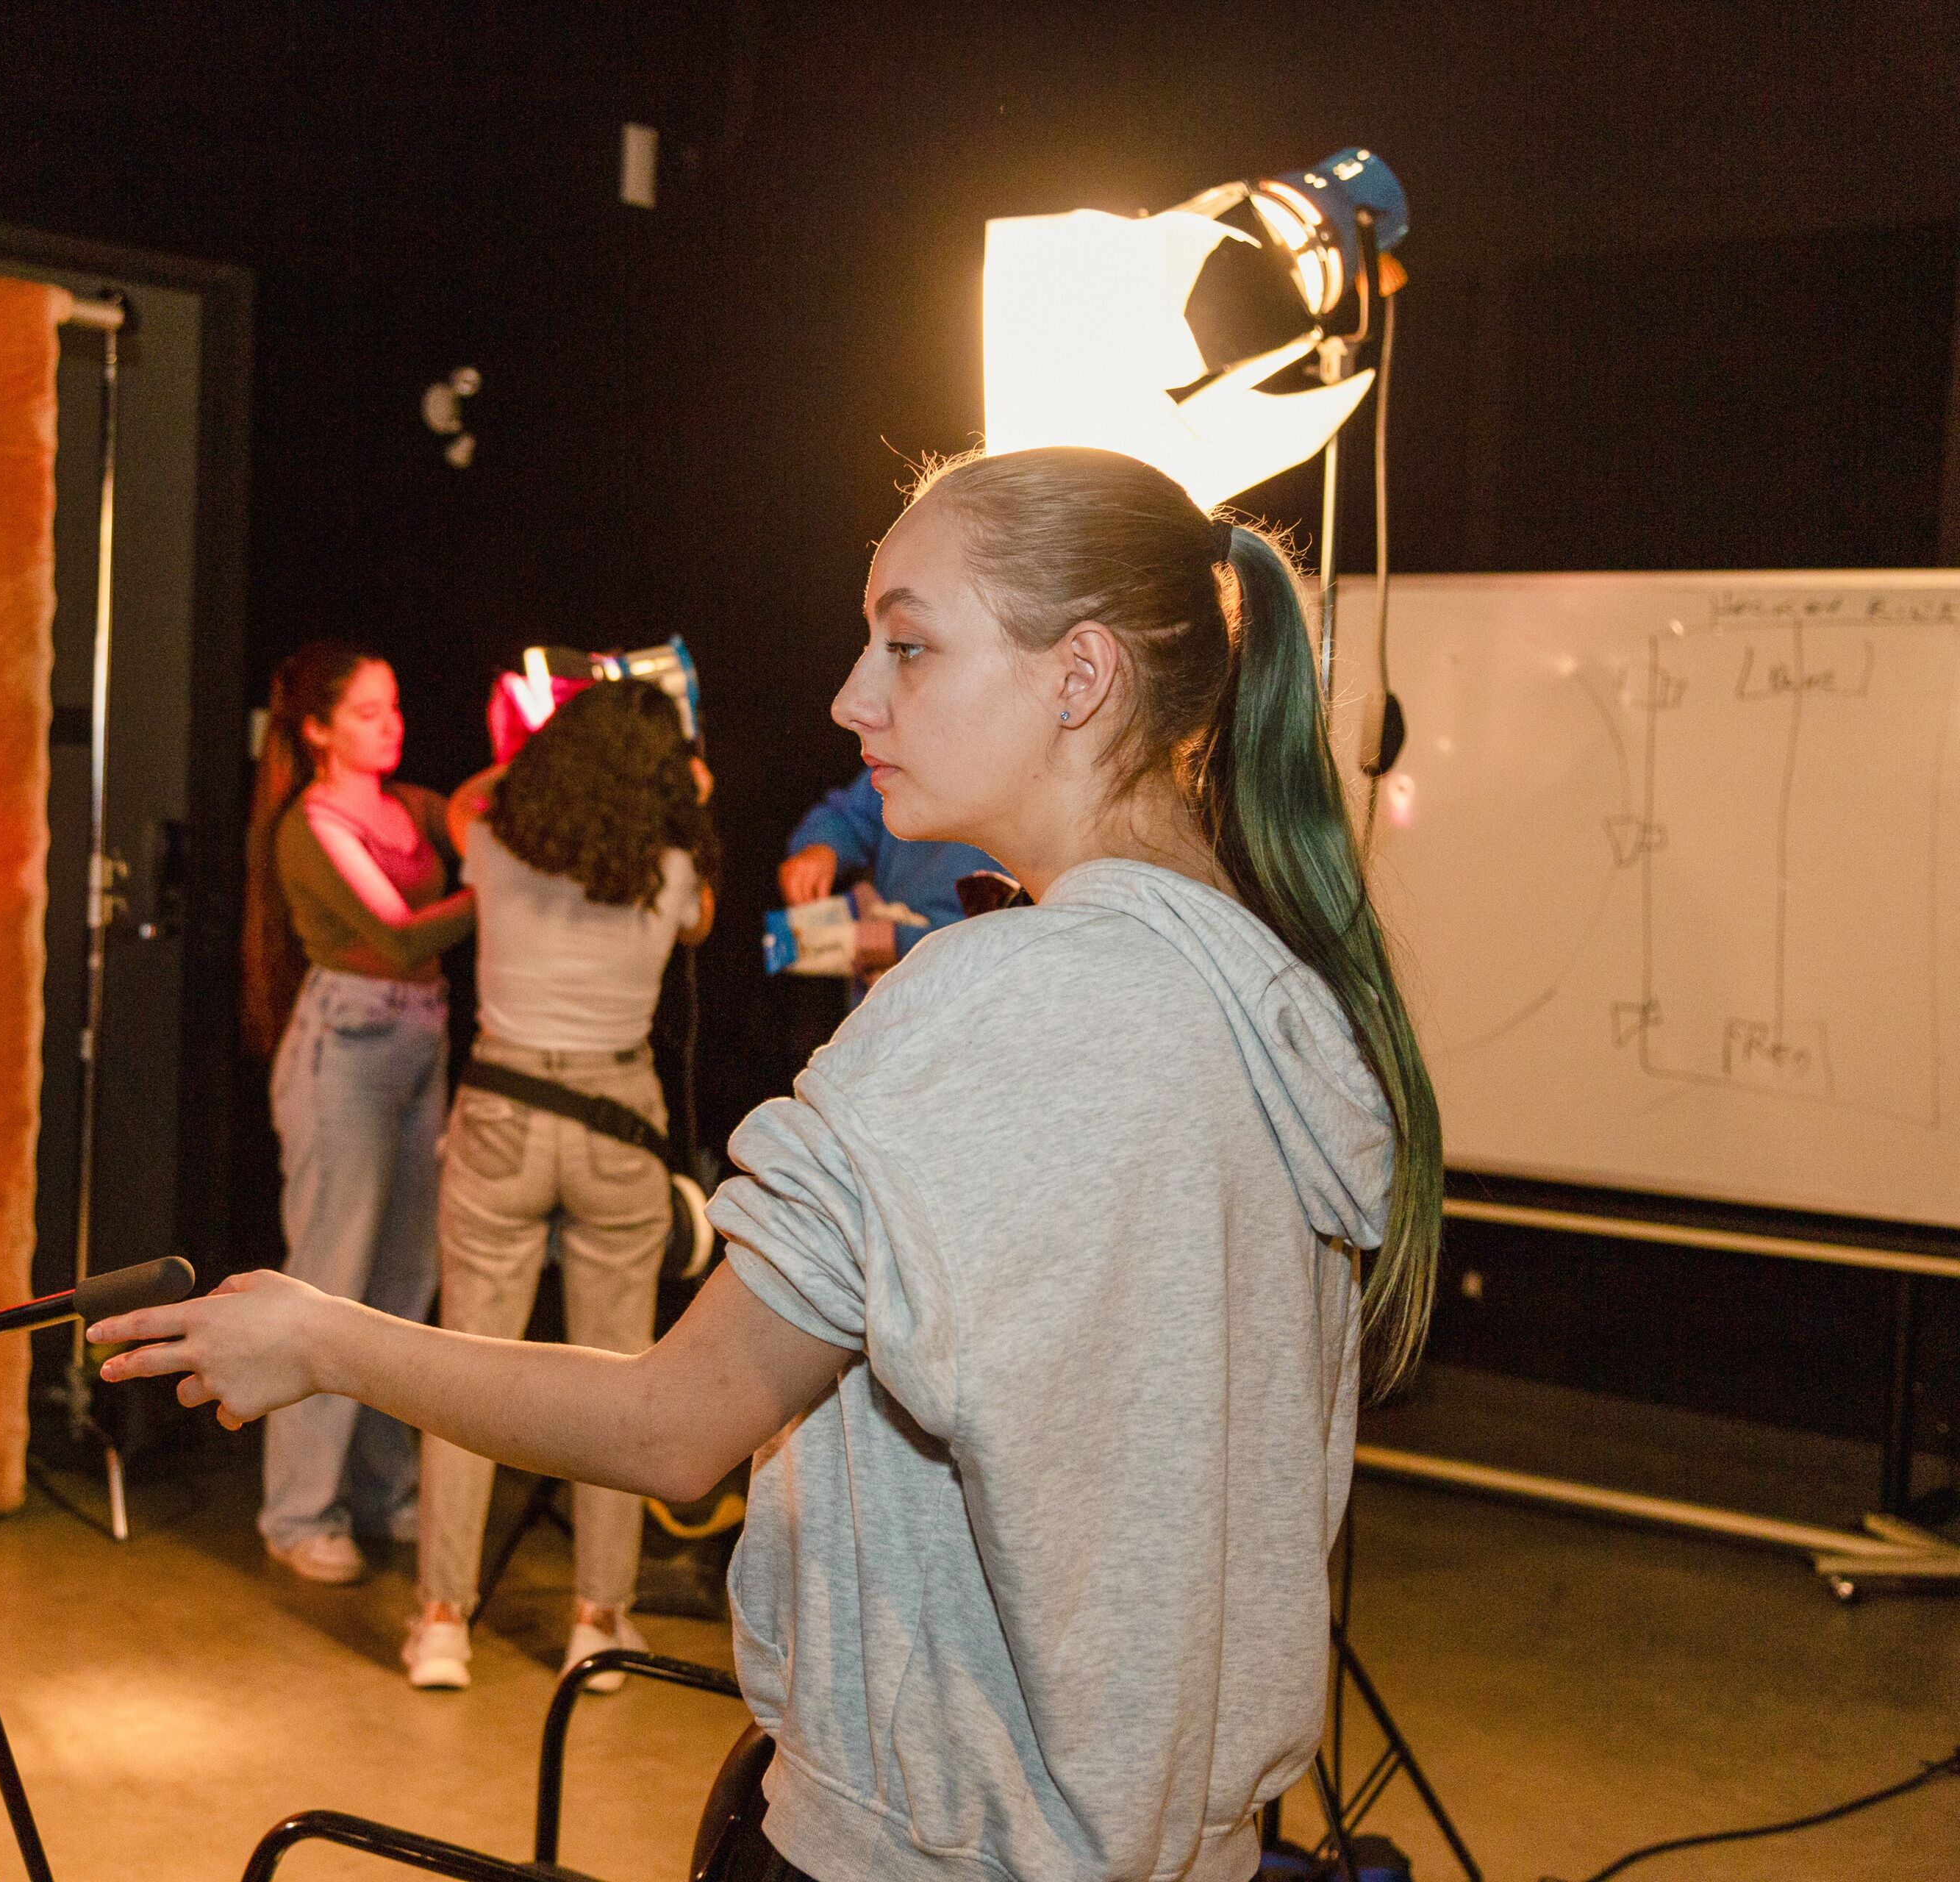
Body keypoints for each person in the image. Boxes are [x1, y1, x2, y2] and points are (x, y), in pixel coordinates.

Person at [113, 445, 1441, 1882]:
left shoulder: (997, 997)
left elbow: (676, 1421)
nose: (852, 696)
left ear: (1082, 677)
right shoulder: (1278, 991)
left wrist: (319, 1334)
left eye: (911, 643)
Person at [403, 679, 718, 1693]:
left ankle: (443, 1623)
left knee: (462, 1370)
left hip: (501, 1105)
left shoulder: (495, 843)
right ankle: (599, 1622)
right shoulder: (673, 872)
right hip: (616, 1120)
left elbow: (468, 796)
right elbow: (703, 920)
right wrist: (689, 787)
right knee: (620, 1382)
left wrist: (541, 755)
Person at [240, 643, 475, 1584]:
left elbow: (491, 809)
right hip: (346, 1052)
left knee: (407, 1280)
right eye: (369, 710)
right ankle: (299, 1512)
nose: (392, 723)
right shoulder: (312, 821)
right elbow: (397, 931)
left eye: (395, 706)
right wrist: (502, 887)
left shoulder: (417, 808)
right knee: (331, 1279)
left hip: (422, 1044)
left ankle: (383, 1492)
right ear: (317, 728)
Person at [776, 769, 999, 973]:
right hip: (883, 992)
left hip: (976, 996)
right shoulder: (911, 754)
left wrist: (900, 940)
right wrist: (823, 847)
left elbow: (1012, 934)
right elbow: (851, 816)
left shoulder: (1016, 775)